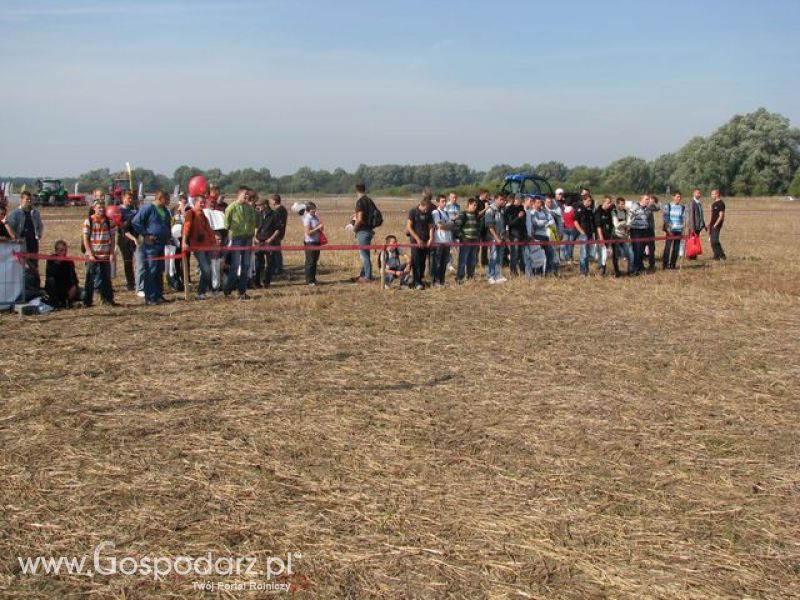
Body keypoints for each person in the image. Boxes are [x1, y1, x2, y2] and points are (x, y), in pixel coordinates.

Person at [132, 190, 172, 305]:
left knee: (159, 270)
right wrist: (146, 235)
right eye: (167, 199)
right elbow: (136, 222)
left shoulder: (165, 210)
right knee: (151, 269)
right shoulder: (148, 208)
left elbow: (167, 225)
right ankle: (150, 297)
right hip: (151, 245)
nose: (168, 201)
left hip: (162, 244)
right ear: (160, 198)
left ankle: (159, 295)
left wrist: (168, 237)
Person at [222, 186, 257, 300]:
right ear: (239, 194)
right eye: (245, 194)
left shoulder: (249, 208)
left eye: (248, 194)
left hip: (248, 239)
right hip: (237, 239)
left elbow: (253, 222)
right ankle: (228, 291)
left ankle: (242, 292)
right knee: (235, 266)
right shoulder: (231, 208)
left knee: (246, 266)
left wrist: (252, 235)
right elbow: (226, 224)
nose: (247, 196)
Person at [82, 199, 118, 307]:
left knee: (106, 279)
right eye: (99, 207)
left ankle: (107, 300)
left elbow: (113, 239)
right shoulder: (88, 221)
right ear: (94, 208)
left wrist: (111, 253)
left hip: (105, 255)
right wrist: (90, 253)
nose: (101, 209)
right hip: (92, 255)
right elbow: (85, 239)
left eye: (103, 207)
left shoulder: (109, 222)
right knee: (89, 279)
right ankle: (87, 301)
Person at [183, 194, 218, 299]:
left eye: (204, 202)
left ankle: (204, 292)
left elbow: (209, 231)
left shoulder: (203, 215)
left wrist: (214, 243)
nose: (203, 204)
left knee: (208, 269)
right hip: (198, 247)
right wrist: (184, 242)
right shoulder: (191, 213)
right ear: (195, 202)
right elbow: (186, 229)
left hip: (207, 246)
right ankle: (202, 292)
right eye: (200, 202)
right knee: (206, 269)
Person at [7, 190, 44, 281]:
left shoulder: (35, 212)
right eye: (27, 199)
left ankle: (35, 284)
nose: (29, 201)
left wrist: (38, 235)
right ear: (21, 200)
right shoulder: (15, 214)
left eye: (30, 199)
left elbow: (40, 225)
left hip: (33, 243)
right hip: (21, 243)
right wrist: (16, 239)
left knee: (34, 264)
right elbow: (10, 227)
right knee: (22, 265)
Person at [405, 195, 434, 289]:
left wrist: (431, 238)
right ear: (422, 204)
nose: (426, 211)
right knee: (416, 261)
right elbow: (409, 227)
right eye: (426, 208)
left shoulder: (429, 213)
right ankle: (416, 282)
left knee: (422, 261)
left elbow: (430, 227)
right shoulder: (413, 212)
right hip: (415, 241)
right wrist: (417, 239)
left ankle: (420, 279)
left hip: (426, 241)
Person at [253, 197, 281, 288]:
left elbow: (278, 229)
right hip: (259, 241)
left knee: (270, 263)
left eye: (259, 205)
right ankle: (257, 282)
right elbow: (256, 227)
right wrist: (255, 237)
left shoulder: (275, 214)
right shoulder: (258, 214)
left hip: (270, 242)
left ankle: (267, 282)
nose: (258, 207)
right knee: (258, 263)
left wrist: (270, 239)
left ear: (265, 205)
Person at [45, 240, 80, 308]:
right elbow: (50, 274)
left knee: (84, 294)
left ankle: (67, 302)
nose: (63, 253)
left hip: (66, 288)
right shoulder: (51, 259)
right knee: (51, 281)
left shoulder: (69, 262)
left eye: (65, 250)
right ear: (56, 251)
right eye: (61, 250)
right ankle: (56, 302)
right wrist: (58, 263)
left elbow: (74, 277)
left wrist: (74, 286)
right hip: (55, 288)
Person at [353, 183, 377, 283]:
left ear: (356, 190)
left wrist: (354, 228)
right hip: (369, 230)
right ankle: (363, 274)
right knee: (365, 253)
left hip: (363, 231)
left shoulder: (360, 201)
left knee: (364, 255)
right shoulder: (369, 200)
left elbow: (360, 218)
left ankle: (367, 276)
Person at [628, 195, 655, 275]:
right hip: (636, 231)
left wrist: (651, 204)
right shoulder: (634, 206)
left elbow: (657, 207)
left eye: (649, 199)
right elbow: (630, 217)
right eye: (646, 199)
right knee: (637, 250)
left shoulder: (647, 208)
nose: (648, 201)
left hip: (644, 231)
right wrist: (628, 226)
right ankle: (635, 269)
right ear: (641, 199)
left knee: (641, 251)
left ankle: (640, 266)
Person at [117, 191, 138, 291]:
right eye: (128, 198)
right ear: (123, 199)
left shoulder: (135, 209)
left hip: (136, 237)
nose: (130, 200)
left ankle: (138, 281)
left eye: (131, 198)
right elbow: (121, 227)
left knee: (138, 261)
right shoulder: (119, 210)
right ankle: (130, 283)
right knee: (128, 261)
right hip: (125, 239)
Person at [431, 194, 454, 286]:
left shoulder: (446, 213)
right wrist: (446, 226)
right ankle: (436, 281)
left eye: (445, 201)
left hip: (447, 241)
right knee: (437, 262)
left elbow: (451, 225)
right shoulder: (436, 213)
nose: (444, 203)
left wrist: (446, 226)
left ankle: (442, 280)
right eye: (442, 201)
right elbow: (440, 226)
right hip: (439, 241)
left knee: (444, 262)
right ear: (438, 202)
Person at [483, 193, 507, 284]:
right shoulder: (490, 210)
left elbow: (503, 224)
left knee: (499, 257)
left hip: (501, 237)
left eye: (503, 200)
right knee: (493, 256)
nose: (502, 201)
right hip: (493, 238)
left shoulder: (501, 210)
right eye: (500, 199)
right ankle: (491, 276)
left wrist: (504, 236)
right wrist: (496, 238)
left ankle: (498, 275)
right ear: (495, 199)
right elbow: (490, 226)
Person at [530, 197, 557, 275]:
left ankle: (548, 272)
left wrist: (545, 223)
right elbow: (537, 223)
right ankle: (538, 273)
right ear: (534, 203)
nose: (540, 204)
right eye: (538, 202)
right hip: (537, 236)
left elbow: (552, 221)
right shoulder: (532, 213)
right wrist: (546, 222)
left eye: (540, 202)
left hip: (546, 236)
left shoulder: (545, 212)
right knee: (539, 256)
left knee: (550, 253)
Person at [456, 197, 480, 282]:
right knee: (463, 260)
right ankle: (460, 278)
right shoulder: (463, 214)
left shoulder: (476, 215)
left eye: (476, 205)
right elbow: (457, 227)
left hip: (474, 240)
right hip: (466, 241)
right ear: (469, 204)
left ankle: (471, 276)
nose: (475, 207)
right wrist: (462, 238)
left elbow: (477, 227)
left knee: (472, 260)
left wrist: (478, 237)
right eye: (474, 205)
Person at [662, 191, 686, 270]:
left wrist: (683, 229)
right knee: (668, 247)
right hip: (670, 230)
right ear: (673, 197)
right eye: (677, 196)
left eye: (680, 197)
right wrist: (669, 230)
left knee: (676, 248)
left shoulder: (682, 207)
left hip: (679, 230)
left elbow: (683, 219)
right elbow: (666, 219)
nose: (679, 198)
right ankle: (665, 265)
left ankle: (672, 264)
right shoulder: (668, 206)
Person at [302, 202, 324, 286]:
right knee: (310, 262)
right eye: (312, 210)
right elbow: (308, 232)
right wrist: (318, 228)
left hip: (317, 241)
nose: (314, 211)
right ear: (308, 210)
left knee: (315, 261)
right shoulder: (307, 219)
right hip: (310, 242)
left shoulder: (315, 217)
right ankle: (309, 280)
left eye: (315, 210)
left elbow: (320, 228)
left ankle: (313, 279)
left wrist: (321, 228)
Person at [573, 193, 595, 276]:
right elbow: (575, 221)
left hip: (589, 234)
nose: (590, 202)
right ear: (584, 200)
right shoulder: (580, 209)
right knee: (583, 254)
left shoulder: (589, 210)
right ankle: (582, 272)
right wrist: (581, 231)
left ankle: (586, 271)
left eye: (591, 201)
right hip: (583, 235)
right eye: (589, 200)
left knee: (588, 254)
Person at [505, 194, 527, 276]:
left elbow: (523, 223)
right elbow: (509, 223)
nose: (520, 201)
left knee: (521, 253)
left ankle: (522, 270)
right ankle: (513, 271)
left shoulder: (521, 208)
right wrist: (518, 217)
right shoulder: (510, 209)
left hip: (521, 234)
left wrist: (525, 233)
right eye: (519, 200)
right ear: (515, 200)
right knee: (514, 253)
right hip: (513, 235)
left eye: (521, 200)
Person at [611, 197, 633, 277]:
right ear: (617, 204)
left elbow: (629, 223)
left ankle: (630, 271)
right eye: (621, 204)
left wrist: (624, 224)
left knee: (630, 253)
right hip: (615, 236)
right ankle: (617, 272)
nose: (622, 205)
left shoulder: (626, 212)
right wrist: (624, 223)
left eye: (623, 204)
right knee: (616, 255)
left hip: (625, 236)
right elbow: (616, 225)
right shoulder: (614, 212)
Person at [594, 196, 615, 275]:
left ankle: (602, 267)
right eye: (608, 203)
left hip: (608, 235)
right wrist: (601, 238)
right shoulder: (598, 212)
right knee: (602, 253)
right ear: (603, 202)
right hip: (601, 236)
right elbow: (598, 226)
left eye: (610, 203)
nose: (609, 204)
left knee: (605, 254)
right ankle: (601, 268)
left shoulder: (609, 212)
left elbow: (611, 225)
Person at [686, 188, 707, 260]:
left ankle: (694, 255)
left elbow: (701, 214)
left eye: (699, 193)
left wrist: (704, 225)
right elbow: (691, 216)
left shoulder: (699, 203)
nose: (699, 194)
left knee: (696, 241)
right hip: (693, 226)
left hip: (699, 226)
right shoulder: (692, 203)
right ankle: (690, 256)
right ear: (694, 193)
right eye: (697, 193)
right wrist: (692, 228)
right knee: (691, 240)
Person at [270, 194, 288, 275]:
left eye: (271, 200)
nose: (270, 202)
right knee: (276, 251)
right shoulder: (283, 209)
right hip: (280, 233)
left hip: (277, 234)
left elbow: (279, 224)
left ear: (274, 201)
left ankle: (278, 269)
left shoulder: (278, 210)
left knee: (275, 252)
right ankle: (277, 268)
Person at [444, 192, 461, 272]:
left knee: (458, 246)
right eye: (453, 197)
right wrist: (452, 219)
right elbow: (444, 217)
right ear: (449, 198)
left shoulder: (458, 206)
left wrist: (458, 218)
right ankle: (449, 264)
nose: (454, 199)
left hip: (456, 229)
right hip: (448, 229)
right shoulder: (446, 206)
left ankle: (460, 263)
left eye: (455, 197)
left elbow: (459, 216)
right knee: (449, 247)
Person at [559, 189, 577, 262]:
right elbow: (575, 218)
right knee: (570, 244)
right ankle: (569, 258)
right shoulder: (573, 210)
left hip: (565, 228)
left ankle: (565, 257)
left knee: (565, 243)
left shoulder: (564, 210)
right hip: (572, 228)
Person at [709, 188, 727, 260]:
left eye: (713, 194)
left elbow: (721, 215)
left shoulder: (721, 203)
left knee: (715, 240)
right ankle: (716, 256)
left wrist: (715, 225)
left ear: (717, 194)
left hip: (716, 225)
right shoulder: (713, 204)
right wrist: (710, 224)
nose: (711, 196)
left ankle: (722, 256)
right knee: (712, 241)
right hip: (712, 225)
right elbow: (713, 215)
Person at [645, 195, 661, 271]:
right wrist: (648, 206)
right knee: (641, 247)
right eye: (649, 199)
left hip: (650, 229)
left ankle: (652, 264)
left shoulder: (651, 207)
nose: (650, 201)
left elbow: (659, 207)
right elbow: (645, 216)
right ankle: (640, 264)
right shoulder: (643, 206)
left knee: (652, 247)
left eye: (652, 200)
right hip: (643, 229)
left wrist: (653, 204)